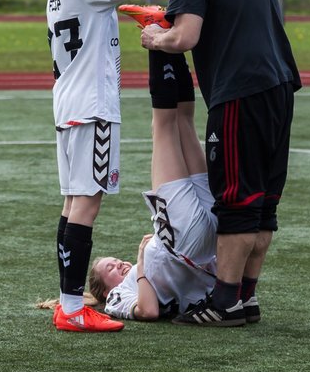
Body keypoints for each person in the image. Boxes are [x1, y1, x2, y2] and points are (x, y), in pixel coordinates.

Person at [141, 0, 301, 327]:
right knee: (263, 202)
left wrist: (156, 38)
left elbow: (185, 36)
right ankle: (245, 298)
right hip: (280, 87)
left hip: (240, 92)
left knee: (234, 199)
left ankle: (224, 300)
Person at [47, 0, 158, 332]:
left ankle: (67, 304)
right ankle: (74, 309)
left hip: (70, 105)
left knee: (73, 204)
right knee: (87, 203)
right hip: (93, 107)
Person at [86, 45, 223, 323]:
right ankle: (158, 40)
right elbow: (148, 311)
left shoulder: (136, 276)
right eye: (110, 268)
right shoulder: (117, 298)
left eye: (114, 260)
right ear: (105, 289)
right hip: (182, 241)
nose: (119, 264)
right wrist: (141, 257)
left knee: (184, 123)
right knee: (162, 126)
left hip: (203, 242)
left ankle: (172, 47)